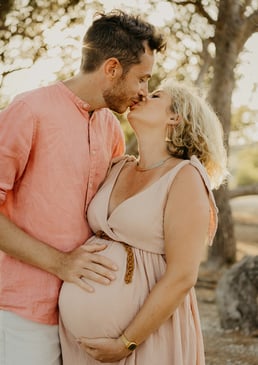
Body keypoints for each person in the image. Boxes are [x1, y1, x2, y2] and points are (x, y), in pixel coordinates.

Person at [0, 10, 166, 365]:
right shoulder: (30, 110)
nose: (143, 93)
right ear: (111, 68)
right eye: (142, 79)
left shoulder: (110, 127)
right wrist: (60, 263)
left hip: (84, 317)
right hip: (24, 315)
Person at [58, 79, 228, 365]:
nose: (141, 96)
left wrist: (126, 343)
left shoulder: (185, 177)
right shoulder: (118, 167)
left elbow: (182, 276)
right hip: (78, 346)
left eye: (155, 95)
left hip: (144, 342)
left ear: (176, 117)